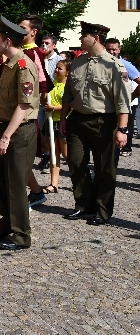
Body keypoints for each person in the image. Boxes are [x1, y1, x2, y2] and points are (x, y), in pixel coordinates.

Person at [60, 22, 131, 225]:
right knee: (76, 162)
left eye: (84, 35)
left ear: (95, 38)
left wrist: (122, 129)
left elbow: (122, 101)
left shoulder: (113, 65)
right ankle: (83, 205)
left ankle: (102, 210)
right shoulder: (78, 62)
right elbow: (67, 94)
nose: (80, 38)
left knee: (105, 168)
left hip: (104, 121)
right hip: (77, 120)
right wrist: (64, 118)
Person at [0, 16, 40, 251]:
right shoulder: (8, 64)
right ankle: (7, 224)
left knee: (16, 183)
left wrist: (6, 136)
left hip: (19, 131)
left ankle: (21, 235)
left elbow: (24, 105)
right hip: (4, 126)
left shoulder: (24, 65)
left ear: (7, 40)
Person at [17, 14, 51, 208]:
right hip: (18, 106)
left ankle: (35, 192)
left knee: (23, 153)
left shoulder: (34, 53)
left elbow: (42, 79)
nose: (19, 30)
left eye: (23, 27)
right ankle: (34, 191)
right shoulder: (22, 50)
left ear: (33, 32)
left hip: (29, 108)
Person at [104, 38, 140, 156]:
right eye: (108, 49)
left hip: (119, 108)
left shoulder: (124, 65)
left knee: (116, 138)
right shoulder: (102, 63)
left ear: (119, 50)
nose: (111, 52)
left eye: (114, 49)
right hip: (104, 107)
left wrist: (131, 97)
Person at [43, 59, 71, 194]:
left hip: (64, 122)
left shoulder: (69, 87)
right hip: (51, 122)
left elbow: (70, 105)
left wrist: (53, 107)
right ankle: (54, 183)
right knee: (54, 153)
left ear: (67, 72)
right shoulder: (52, 84)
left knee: (66, 154)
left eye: (60, 68)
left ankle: (77, 180)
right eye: (56, 68)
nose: (56, 70)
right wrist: (43, 96)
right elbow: (44, 100)